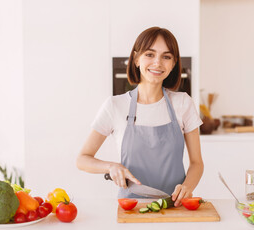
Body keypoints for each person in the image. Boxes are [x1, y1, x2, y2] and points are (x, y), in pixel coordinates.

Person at [77, 26, 204, 207]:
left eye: (166, 57)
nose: (157, 63)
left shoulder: (183, 103)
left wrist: (187, 187)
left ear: (174, 63)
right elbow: (82, 158)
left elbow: (197, 163)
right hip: (131, 207)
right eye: (149, 54)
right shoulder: (115, 106)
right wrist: (111, 166)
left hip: (175, 206)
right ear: (136, 59)